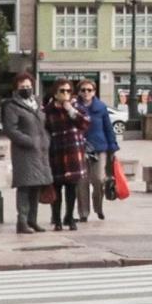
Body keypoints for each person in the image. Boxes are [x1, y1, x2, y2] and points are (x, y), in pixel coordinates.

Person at [2, 73, 48, 234]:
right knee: (25, 186)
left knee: (36, 186)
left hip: (40, 151)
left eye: (28, 87)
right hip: (24, 151)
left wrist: (44, 140)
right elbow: (10, 129)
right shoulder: (11, 106)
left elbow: (43, 123)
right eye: (23, 87)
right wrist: (29, 141)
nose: (26, 89)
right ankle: (22, 221)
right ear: (16, 88)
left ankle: (32, 220)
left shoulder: (36, 103)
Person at [43, 80, 88, 231]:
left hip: (73, 152)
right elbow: (44, 131)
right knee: (56, 188)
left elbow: (85, 124)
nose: (66, 94)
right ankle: (56, 219)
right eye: (62, 91)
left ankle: (69, 217)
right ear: (55, 93)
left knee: (71, 188)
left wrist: (70, 110)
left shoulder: (75, 107)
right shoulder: (48, 111)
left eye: (68, 91)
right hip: (56, 151)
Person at [75, 79, 115, 221]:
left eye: (89, 90)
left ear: (94, 92)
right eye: (83, 90)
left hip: (99, 148)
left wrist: (112, 147)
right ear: (79, 92)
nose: (86, 92)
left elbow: (108, 128)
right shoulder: (75, 107)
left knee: (98, 179)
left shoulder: (101, 107)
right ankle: (83, 213)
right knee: (82, 182)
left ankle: (98, 208)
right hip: (81, 148)